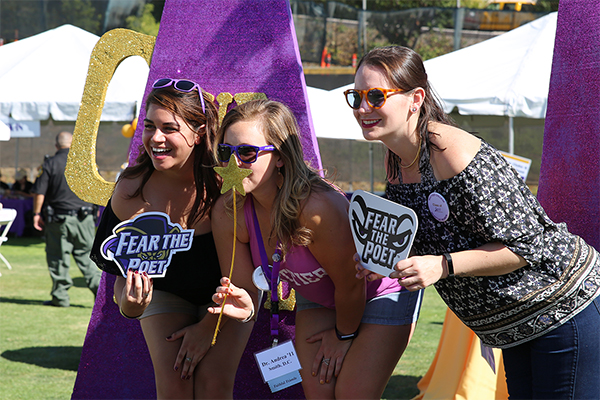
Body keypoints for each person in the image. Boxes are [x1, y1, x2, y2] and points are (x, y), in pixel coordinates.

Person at [347, 45, 600, 399]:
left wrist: (443, 266)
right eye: (355, 96)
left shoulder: (452, 152)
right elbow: (433, 238)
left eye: (375, 96)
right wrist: (387, 261)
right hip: (516, 330)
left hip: (562, 311)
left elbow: (528, 245)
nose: (362, 108)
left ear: (415, 98)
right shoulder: (396, 161)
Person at [209, 99, 422, 399]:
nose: (234, 164)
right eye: (225, 152)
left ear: (280, 157)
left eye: (247, 152)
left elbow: (352, 284)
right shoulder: (228, 212)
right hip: (322, 298)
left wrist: (342, 336)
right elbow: (246, 289)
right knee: (318, 392)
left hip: (380, 289)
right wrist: (244, 307)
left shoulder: (316, 209)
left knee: (353, 393)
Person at [89, 78, 253, 399]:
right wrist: (130, 305)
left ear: (199, 131)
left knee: (212, 385)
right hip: (166, 294)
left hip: (230, 294)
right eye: (149, 126)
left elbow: (245, 282)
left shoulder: (226, 184)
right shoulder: (131, 189)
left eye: (169, 128)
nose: (156, 138)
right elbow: (120, 279)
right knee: (174, 383)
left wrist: (209, 328)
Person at [31, 131, 102, 307]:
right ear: (74, 144)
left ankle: (60, 297)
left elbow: (39, 192)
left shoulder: (50, 164)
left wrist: (36, 214)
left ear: (57, 146)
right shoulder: (85, 164)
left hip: (59, 220)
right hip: (84, 219)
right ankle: (101, 297)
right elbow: (97, 190)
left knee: (58, 258)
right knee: (88, 257)